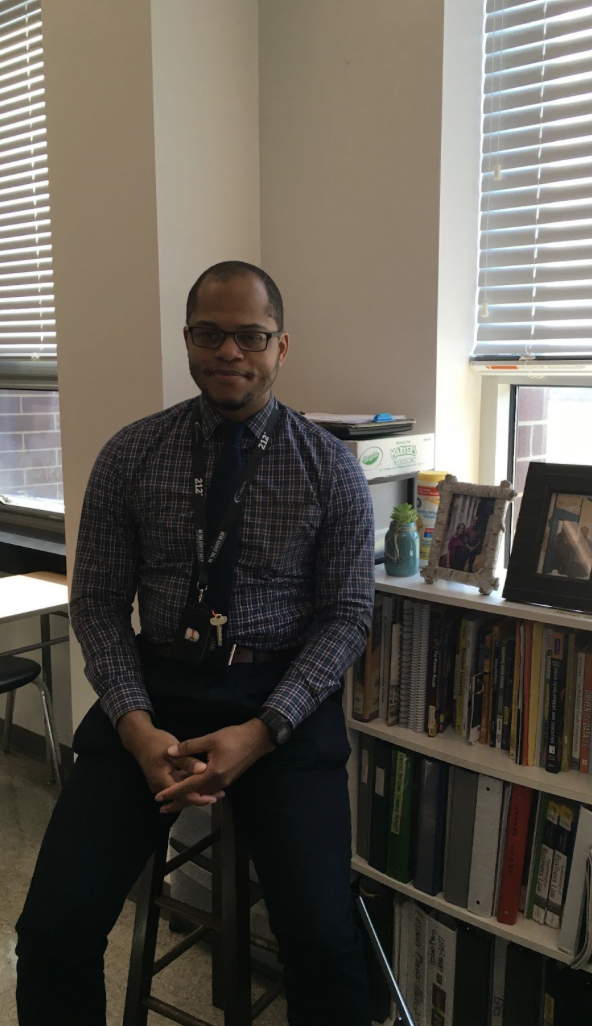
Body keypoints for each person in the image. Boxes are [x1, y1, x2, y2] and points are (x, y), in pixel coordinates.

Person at [14, 261, 375, 1026]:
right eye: (210, 334)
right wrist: (137, 729)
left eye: (251, 336)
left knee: (324, 942)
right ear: (187, 340)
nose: (229, 353)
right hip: (155, 694)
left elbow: (346, 615)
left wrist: (263, 730)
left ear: (283, 347)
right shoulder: (131, 455)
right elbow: (103, 604)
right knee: (51, 930)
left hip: (279, 703)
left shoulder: (332, 471)